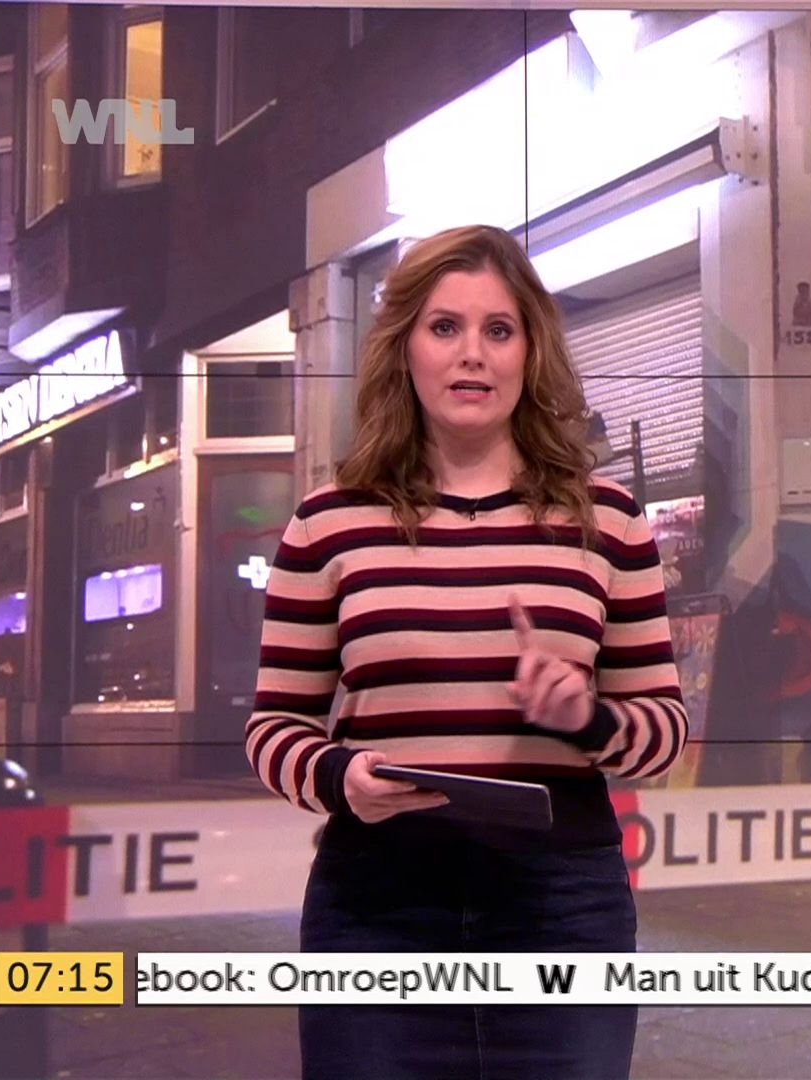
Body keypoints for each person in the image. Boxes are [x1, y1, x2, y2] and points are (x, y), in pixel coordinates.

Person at [244, 225, 687, 1080]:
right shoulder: (328, 523)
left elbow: (663, 730)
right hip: (377, 904)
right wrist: (340, 779)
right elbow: (274, 728)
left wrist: (586, 718)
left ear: (531, 351)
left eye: (499, 329)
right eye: (445, 327)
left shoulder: (609, 520)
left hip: (562, 908)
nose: (472, 354)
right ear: (405, 347)